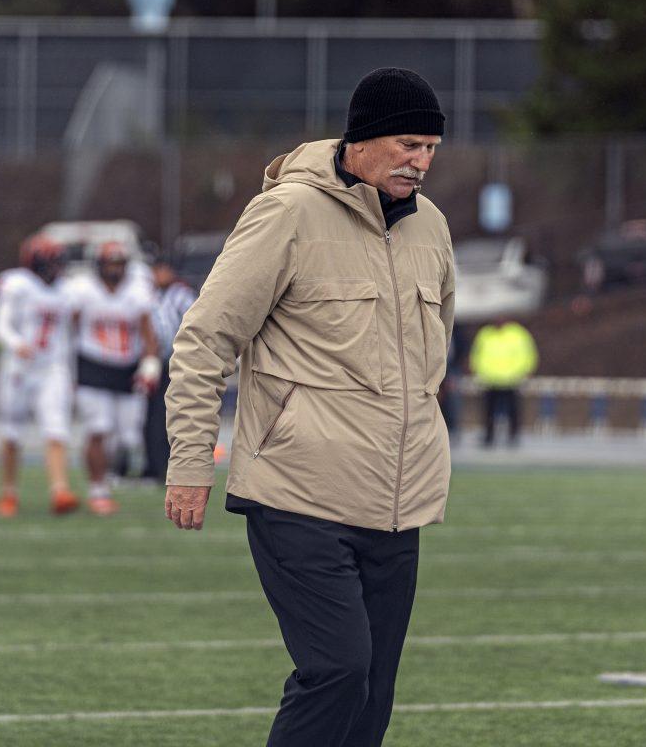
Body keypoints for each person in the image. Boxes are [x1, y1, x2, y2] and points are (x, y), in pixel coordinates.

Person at [165, 67, 454, 746]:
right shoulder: (287, 214)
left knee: (373, 697)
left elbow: (433, 354)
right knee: (336, 671)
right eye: (409, 144)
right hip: (297, 497)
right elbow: (205, 338)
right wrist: (188, 462)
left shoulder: (432, 227)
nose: (422, 162)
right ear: (364, 139)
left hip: (397, 503)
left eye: (433, 148)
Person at [65, 241, 160, 515]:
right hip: (92, 365)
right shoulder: (83, 290)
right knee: (98, 429)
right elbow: (68, 328)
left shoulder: (137, 290)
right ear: (99, 266)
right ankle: (98, 489)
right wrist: (66, 367)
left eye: (119, 264)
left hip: (126, 367)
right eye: (110, 264)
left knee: (127, 437)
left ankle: (107, 478)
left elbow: (148, 333)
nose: (115, 270)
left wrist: (150, 363)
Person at [0, 234, 81, 517]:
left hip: (52, 367)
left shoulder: (67, 291)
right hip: (19, 368)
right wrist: (18, 344)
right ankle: (9, 493)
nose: (56, 268)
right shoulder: (17, 284)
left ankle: (60, 490)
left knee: (56, 429)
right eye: (51, 262)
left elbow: (69, 337)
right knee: (11, 433)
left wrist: (71, 374)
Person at [142, 254, 197, 483]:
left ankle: (168, 467)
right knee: (147, 418)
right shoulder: (146, 294)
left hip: (175, 363)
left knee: (169, 417)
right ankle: (151, 467)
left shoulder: (182, 296)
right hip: (149, 363)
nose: (160, 275)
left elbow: (192, 325)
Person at [469, 316, 538, 448]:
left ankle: (513, 435)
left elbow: (528, 353)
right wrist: (476, 369)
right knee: (488, 410)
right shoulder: (485, 333)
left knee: (513, 410)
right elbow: (476, 353)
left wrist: (527, 370)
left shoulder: (518, 333)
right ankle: (489, 435)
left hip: (511, 379)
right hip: (490, 378)